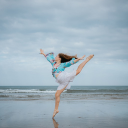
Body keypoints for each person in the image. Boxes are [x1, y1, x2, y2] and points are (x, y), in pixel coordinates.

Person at [40, 49, 94, 118]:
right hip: (62, 82)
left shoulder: (63, 64)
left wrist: (79, 59)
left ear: (59, 58)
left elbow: (71, 62)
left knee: (78, 70)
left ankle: (87, 59)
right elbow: (48, 58)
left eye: (56, 56)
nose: (55, 57)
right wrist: (43, 53)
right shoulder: (53, 63)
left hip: (64, 77)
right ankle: (56, 109)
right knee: (57, 94)